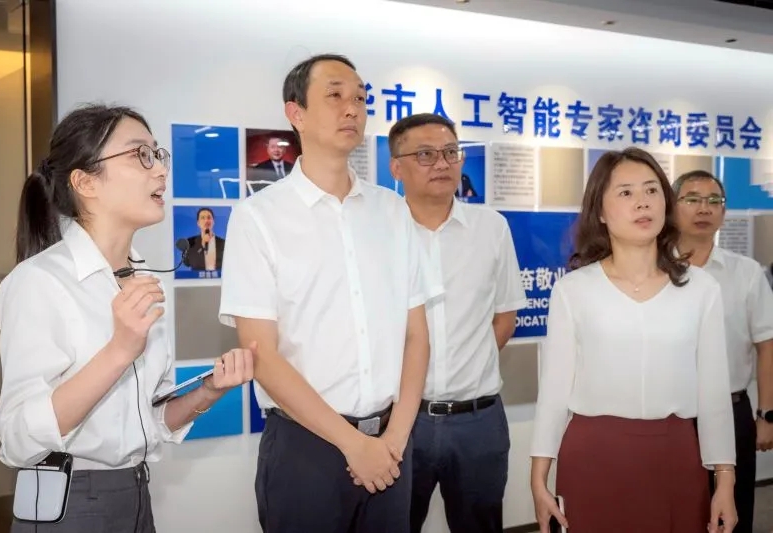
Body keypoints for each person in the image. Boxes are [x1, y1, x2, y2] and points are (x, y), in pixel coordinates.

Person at [0, 104, 255, 533]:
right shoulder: (38, 281)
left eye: (159, 154)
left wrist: (210, 391)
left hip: (135, 493)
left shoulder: (144, 279)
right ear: (85, 182)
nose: (161, 170)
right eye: (141, 155)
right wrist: (119, 351)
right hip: (69, 502)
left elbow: (148, 422)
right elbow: (18, 436)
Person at [218, 53, 435, 533]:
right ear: (295, 113)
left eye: (360, 98)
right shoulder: (259, 217)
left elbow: (416, 336)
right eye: (335, 95)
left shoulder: (392, 212)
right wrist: (354, 445)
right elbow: (262, 354)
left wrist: (395, 437)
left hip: (391, 443)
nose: (352, 108)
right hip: (306, 449)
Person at [529, 147, 737, 533]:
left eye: (652, 190)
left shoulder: (700, 288)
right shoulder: (574, 290)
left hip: (675, 453)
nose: (643, 202)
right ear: (601, 211)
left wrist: (725, 479)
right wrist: (538, 476)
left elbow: (713, 393)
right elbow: (554, 390)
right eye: (626, 192)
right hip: (593, 454)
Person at [386, 113, 526, 533]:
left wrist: (467, 363)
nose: (442, 164)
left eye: (451, 152)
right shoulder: (378, 232)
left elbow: (504, 316)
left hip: (478, 421)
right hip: (400, 420)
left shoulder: (491, 228)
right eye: (425, 155)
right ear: (396, 168)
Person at [673, 169, 773, 533]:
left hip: (731, 411)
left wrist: (766, 415)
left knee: (732, 513)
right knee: (673, 512)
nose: (704, 208)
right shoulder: (653, 271)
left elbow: (767, 345)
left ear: (723, 212)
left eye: (714, 201)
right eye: (693, 199)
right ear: (672, 208)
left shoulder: (746, 273)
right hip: (670, 414)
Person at [182, 207, 225, 271]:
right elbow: (187, 263)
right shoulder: (190, 242)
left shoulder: (223, 243)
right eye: (202, 218)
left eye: (209, 217)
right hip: (197, 277)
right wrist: (202, 246)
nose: (206, 221)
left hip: (218, 277)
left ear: (213, 221)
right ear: (198, 223)